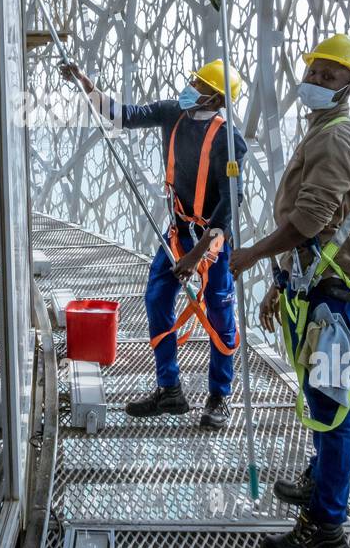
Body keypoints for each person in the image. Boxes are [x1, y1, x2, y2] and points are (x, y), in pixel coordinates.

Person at [229, 34, 350, 548]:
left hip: (331, 300)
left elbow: (313, 220)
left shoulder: (337, 139)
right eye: (314, 71)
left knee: (333, 411)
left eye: (329, 76)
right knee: (324, 401)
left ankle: (326, 530)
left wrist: (250, 256)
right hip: (318, 290)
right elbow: (319, 231)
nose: (315, 81)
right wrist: (279, 282)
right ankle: (321, 487)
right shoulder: (323, 131)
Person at [60, 59, 247, 428]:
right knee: (158, 297)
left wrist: (197, 255)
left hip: (212, 238)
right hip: (179, 231)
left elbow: (229, 203)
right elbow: (121, 115)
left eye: (198, 83)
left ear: (215, 98)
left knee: (220, 314)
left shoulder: (230, 141)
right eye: (192, 78)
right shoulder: (172, 113)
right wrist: (84, 81)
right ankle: (170, 390)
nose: (190, 85)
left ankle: (219, 397)